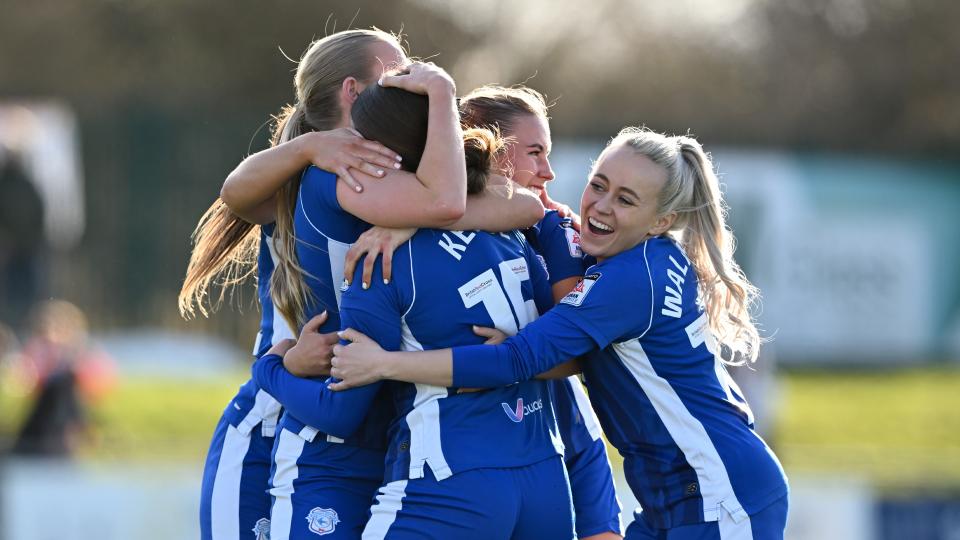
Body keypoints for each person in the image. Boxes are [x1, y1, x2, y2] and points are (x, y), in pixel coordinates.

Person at [330, 127, 790, 539]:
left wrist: (383, 364)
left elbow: (514, 361)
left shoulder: (628, 281)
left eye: (626, 199)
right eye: (598, 185)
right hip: (680, 492)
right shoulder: (638, 252)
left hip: (720, 493)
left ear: (661, 221)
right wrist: (415, 217)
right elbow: (534, 211)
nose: (601, 207)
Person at [180, 29, 544, 540]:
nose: (409, 80)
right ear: (353, 92)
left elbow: (517, 204)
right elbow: (235, 194)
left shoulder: (390, 178)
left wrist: (411, 223)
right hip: (288, 414)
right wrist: (311, 146)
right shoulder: (337, 172)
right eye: (396, 72)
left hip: (364, 418)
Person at [254, 79, 575, 540]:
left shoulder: (377, 260)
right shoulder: (518, 237)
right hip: (544, 477)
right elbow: (568, 348)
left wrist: (271, 367)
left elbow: (341, 411)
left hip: (448, 480)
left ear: (382, 157)